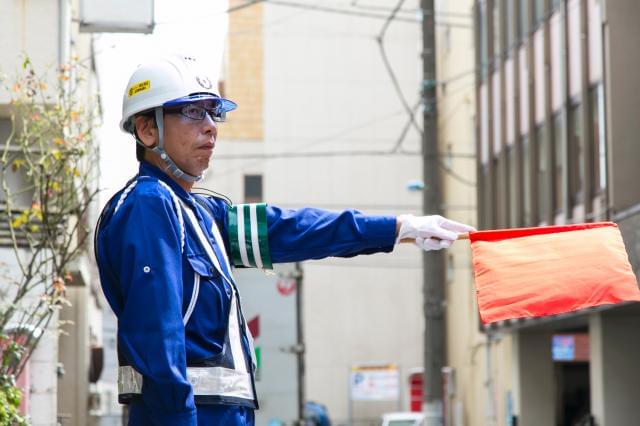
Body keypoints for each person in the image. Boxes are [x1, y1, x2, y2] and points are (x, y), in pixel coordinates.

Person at [94, 54, 475, 426]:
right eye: (194, 112)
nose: (211, 126)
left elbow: (294, 228)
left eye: (214, 112)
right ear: (147, 130)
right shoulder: (149, 204)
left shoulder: (201, 214)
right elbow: (157, 343)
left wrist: (398, 228)